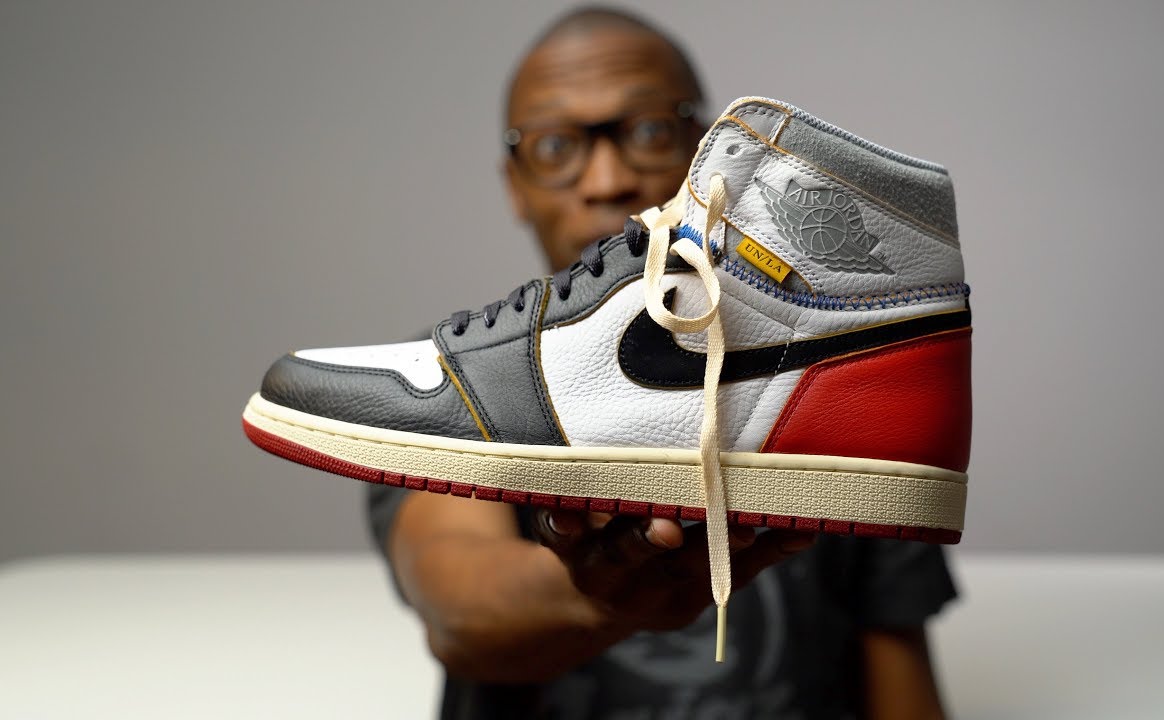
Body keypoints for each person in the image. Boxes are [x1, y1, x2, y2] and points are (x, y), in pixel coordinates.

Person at [368, 7, 956, 718]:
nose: (607, 179)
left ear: (704, 158)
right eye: (555, 146)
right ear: (515, 185)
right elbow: (459, 611)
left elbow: (904, 683)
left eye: (648, 132)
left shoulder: (824, 382)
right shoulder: (458, 383)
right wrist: (596, 599)